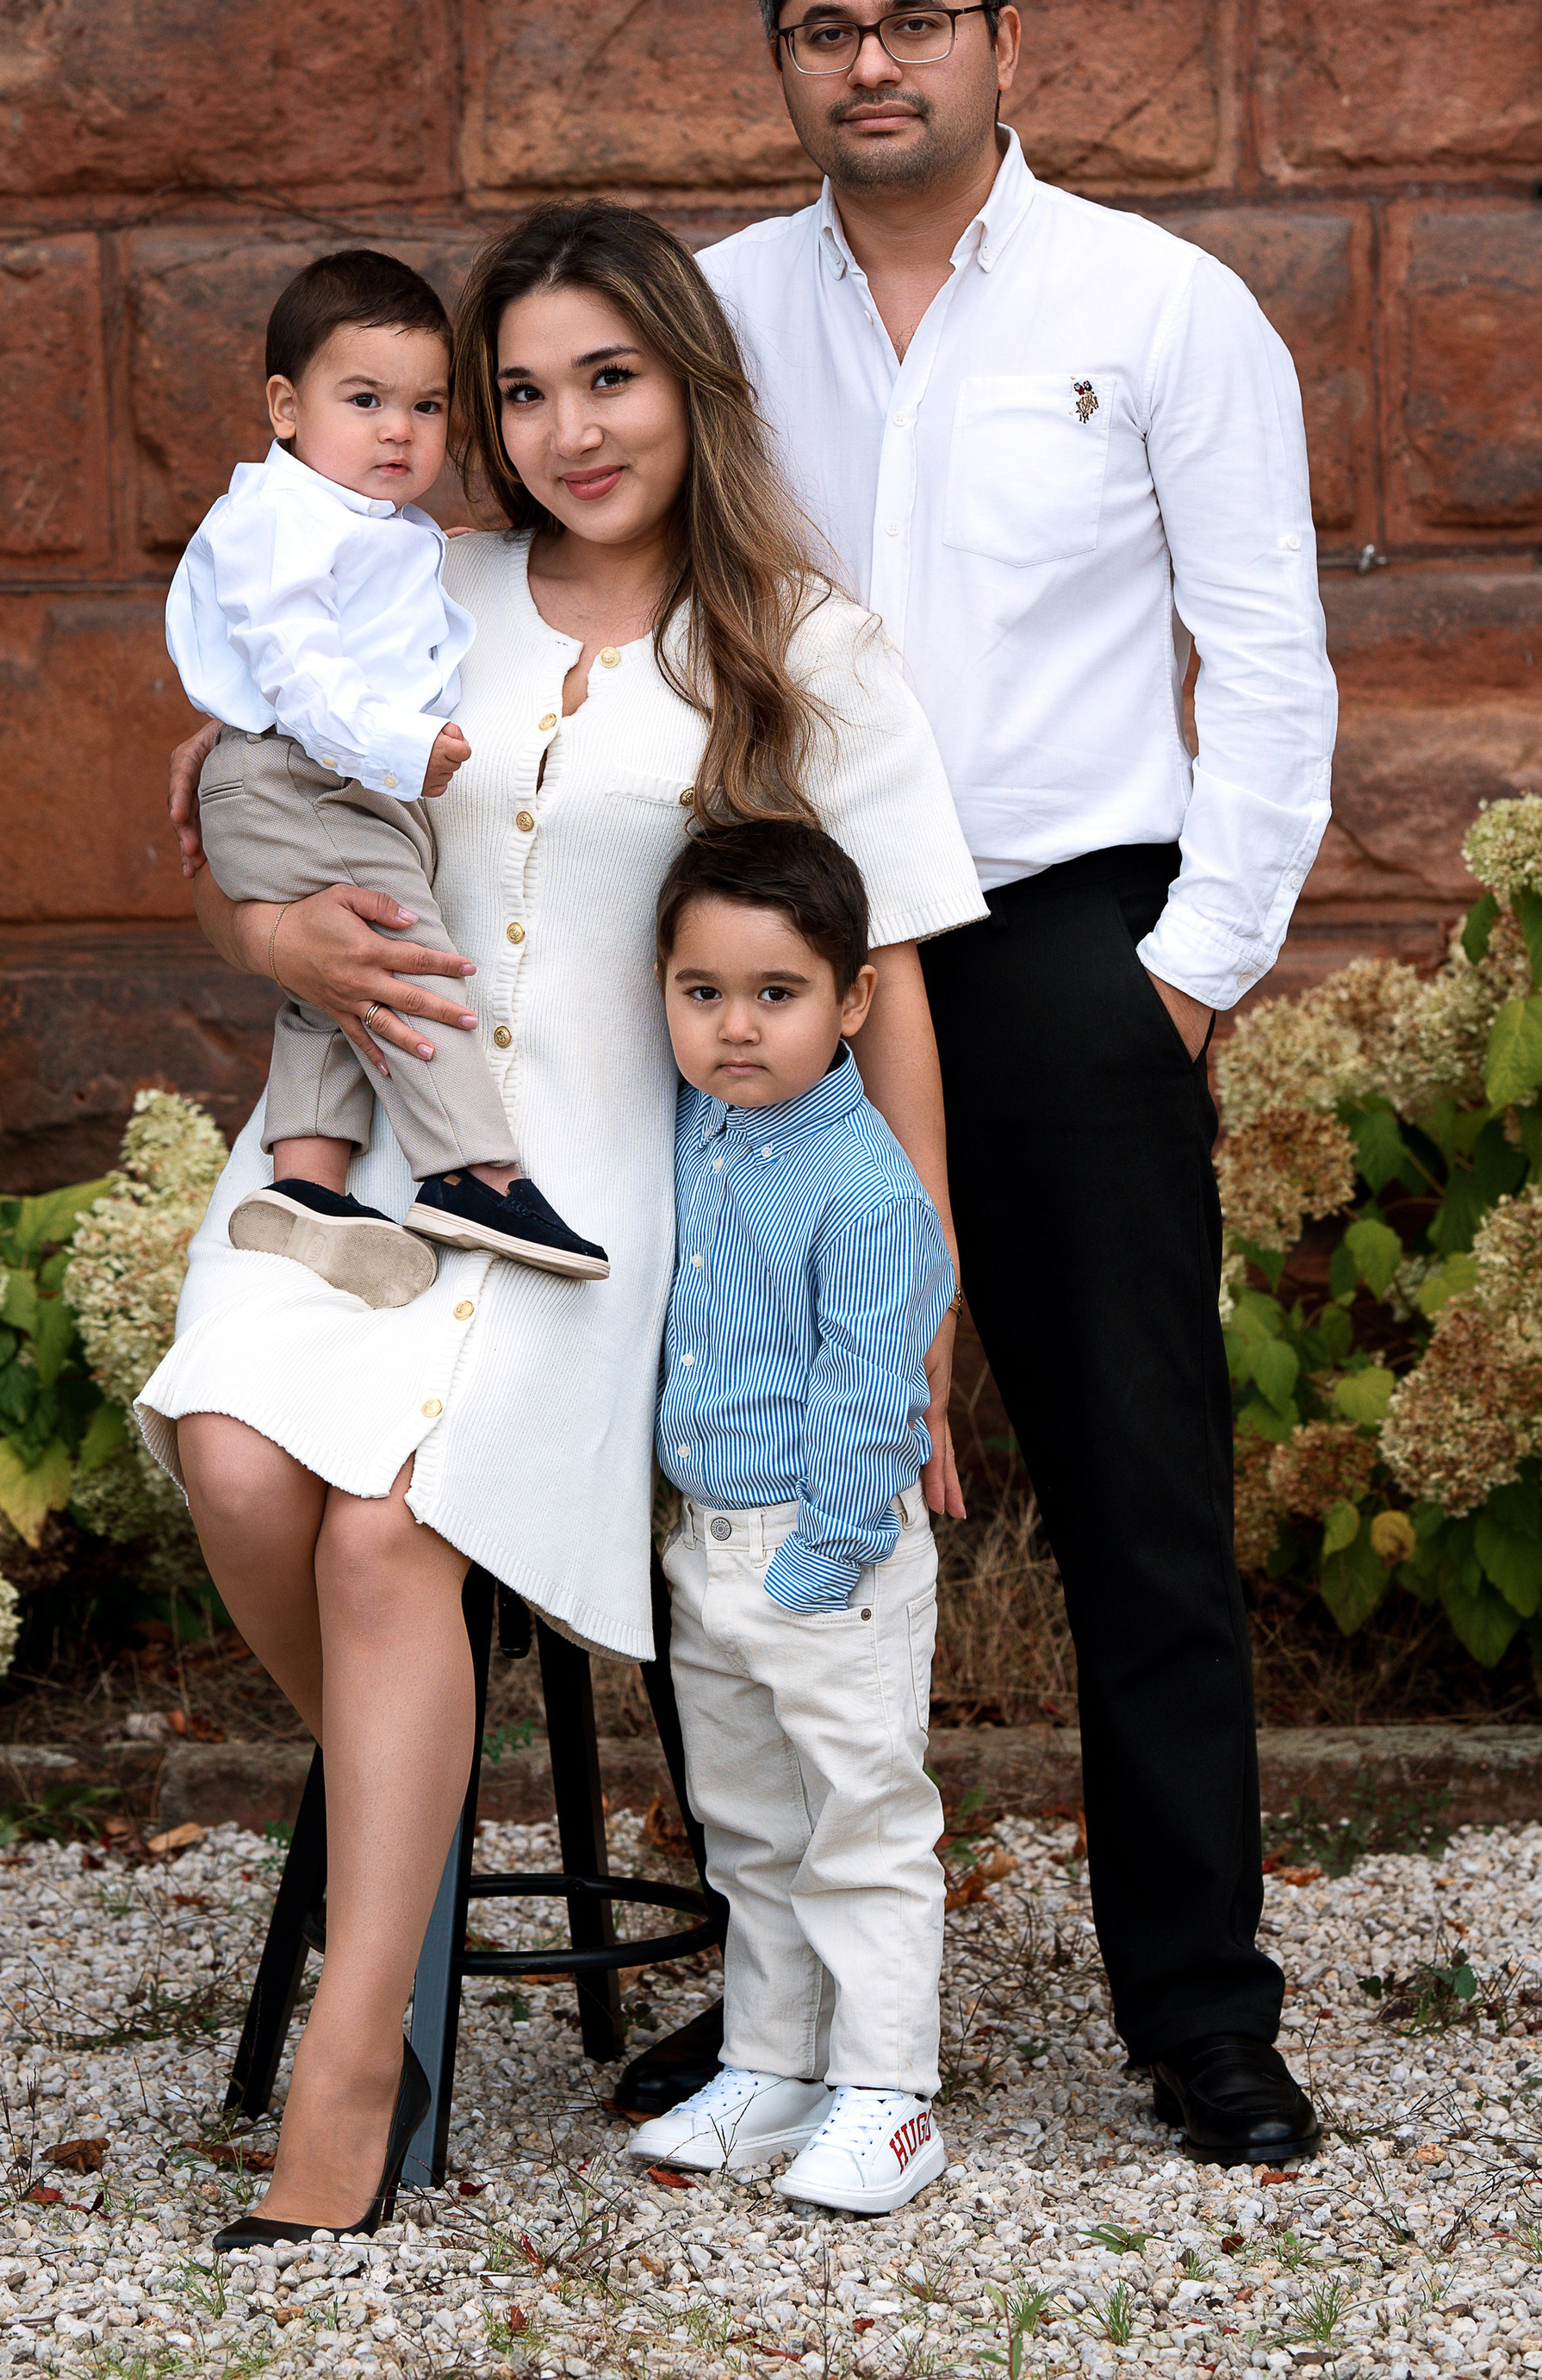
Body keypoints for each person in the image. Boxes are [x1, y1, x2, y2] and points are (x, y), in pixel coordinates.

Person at [150, 202, 985, 2246]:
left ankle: (354, 2059)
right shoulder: (407, 580)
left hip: (597, 1207)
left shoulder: (798, 641)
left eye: (605, 377)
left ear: (685, 379)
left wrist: (917, 1321)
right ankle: (407, 1815)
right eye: (517, 392)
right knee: (232, 1459)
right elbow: (235, 807)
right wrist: (265, 935)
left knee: (387, 1534)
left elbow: (888, 988)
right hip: (353, 1147)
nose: (564, 429)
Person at [691, 0, 1339, 2169]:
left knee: (1138, 1491)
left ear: (1000, 37)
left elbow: (1267, 655)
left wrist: (1188, 976)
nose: (870, 61)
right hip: (784, 949)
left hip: (1071, 944)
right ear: (783, 64)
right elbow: (586, 560)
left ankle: (1199, 2007)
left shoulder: (1157, 306)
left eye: (913, 18)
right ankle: (772, 2005)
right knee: (750, 1473)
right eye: (824, 29)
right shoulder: (709, 315)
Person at [165, 245, 606, 1301]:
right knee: (404, 954)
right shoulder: (281, 518)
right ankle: (470, 1172)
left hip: (321, 781)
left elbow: (381, 619)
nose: (399, 430)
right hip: (305, 776)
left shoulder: (378, 527)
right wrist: (404, 748)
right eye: (364, 401)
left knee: (336, 980)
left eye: (426, 406)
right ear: (285, 407)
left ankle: (305, 1182)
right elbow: (300, 671)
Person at [626, 818, 953, 2215]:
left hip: (828, 1553)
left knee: (862, 1825)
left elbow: (875, 1393)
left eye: (779, 993)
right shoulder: (696, 1127)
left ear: (854, 999)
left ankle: (889, 2096)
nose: (738, 1027)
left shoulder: (864, 1186)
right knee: (751, 1829)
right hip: (706, 1546)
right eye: (703, 992)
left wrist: (819, 1565)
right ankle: (773, 2064)